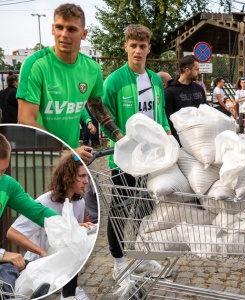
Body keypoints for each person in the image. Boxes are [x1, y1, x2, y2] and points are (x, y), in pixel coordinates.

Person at [102, 23, 171, 281]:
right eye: (133, 46)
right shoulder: (115, 80)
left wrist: (166, 131)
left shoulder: (154, 79)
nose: (138, 51)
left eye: (142, 46)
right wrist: (118, 138)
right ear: (126, 47)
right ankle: (118, 262)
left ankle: (143, 257)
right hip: (125, 160)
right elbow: (100, 110)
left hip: (151, 158)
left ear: (149, 48)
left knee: (146, 209)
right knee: (120, 211)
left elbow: (160, 111)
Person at [16, 3, 123, 163]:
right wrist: (68, 150)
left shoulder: (92, 68)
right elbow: (25, 120)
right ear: (52, 29)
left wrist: (121, 138)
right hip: (39, 157)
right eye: (59, 28)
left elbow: (97, 107)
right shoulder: (35, 64)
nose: (64, 34)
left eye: (72, 29)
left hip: (72, 157)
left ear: (84, 33)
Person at [7, 153, 92, 300]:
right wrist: (41, 252)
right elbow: (12, 233)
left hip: (63, 268)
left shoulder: (80, 203)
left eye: (87, 176)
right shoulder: (44, 202)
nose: (86, 181)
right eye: (82, 176)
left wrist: (79, 228)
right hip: (38, 268)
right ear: (69, 176)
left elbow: (68, 236)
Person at [0, 133, 58, 296]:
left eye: (3, 170)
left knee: (11, 268)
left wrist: (66, 225)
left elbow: (38, 212)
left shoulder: (8, 184)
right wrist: (3, 254)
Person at [165, 55, 207, 143]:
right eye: (196, 69)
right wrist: (176, 141)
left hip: (202, 138)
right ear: (187, 70)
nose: (199, 72)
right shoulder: (170, 92)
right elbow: (168, 120)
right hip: (182, 141)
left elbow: (206, 110)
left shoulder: (199, 89)